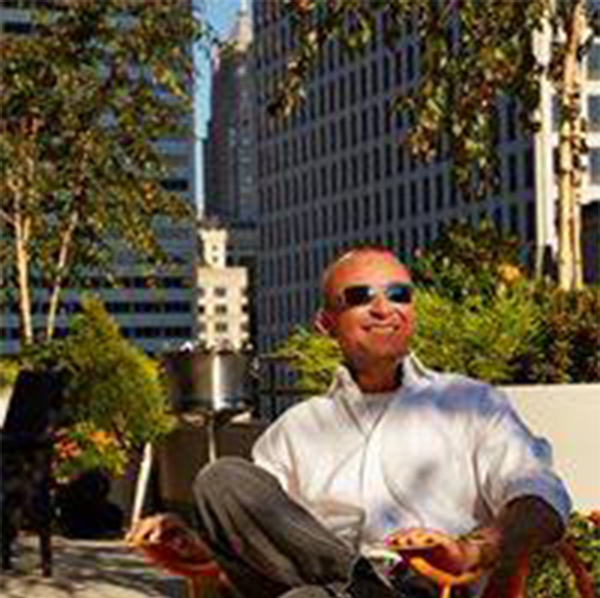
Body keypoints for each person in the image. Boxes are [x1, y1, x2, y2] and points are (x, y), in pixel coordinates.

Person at [128, 247, 571, 598]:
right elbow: (260, 544)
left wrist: (475, 548)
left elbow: (542, 500)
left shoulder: (471, 404)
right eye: (361, 297)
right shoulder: (296, 429)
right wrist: (195, 545)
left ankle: (365, 589)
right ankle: (364, 585)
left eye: (399, 294)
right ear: (327, 323)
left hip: (430, 589)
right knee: (221, 481)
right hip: (321, 587)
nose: (384, 308)